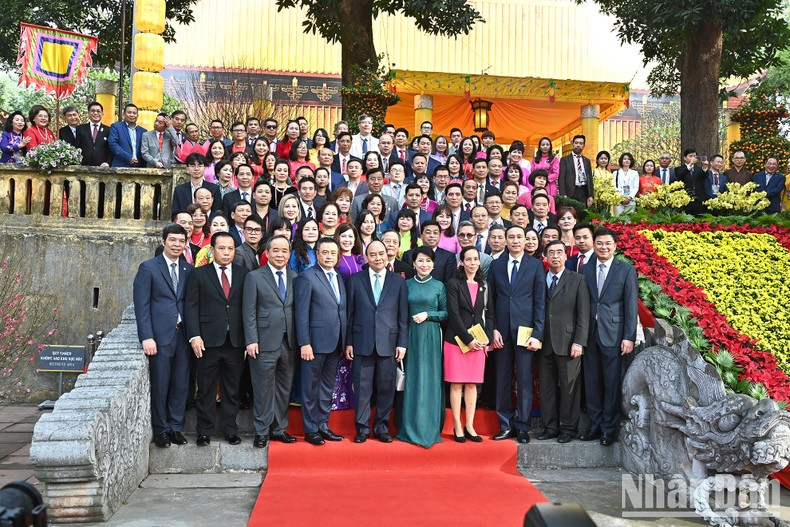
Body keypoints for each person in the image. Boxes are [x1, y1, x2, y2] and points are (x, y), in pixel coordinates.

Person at [184, 231, 248, 446]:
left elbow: (247, 309)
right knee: (206, 388)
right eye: (222, 248)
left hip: (235, 342)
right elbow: (191, 307)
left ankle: (231, 429)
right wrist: (194, 336)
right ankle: (204, 430)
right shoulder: (199, 274)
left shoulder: (243, 273)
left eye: (230, 248)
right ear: (213, 250)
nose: (227, 252)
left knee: (232, 388)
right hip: (207, 342)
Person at [133, 224, 192, 448]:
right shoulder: (148, 268)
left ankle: (176, 427)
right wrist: (146, 336)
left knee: (181, 384)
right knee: (160, 385)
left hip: (182, 335)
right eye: (173, 240)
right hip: (159, 337)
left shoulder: (188, 270)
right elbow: (142, 305)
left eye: (181, 241)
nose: (177, 244)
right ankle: (161, 430)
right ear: (163, 241)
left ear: (186, 244)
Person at [578, 227, 638, 446]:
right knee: (591, 382)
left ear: (615, 246)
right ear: (594, 245)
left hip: (614, 334)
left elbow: (631, 305)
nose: (603, 247)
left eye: (607, 244)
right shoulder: (585, 269)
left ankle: (608, 429)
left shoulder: (625, 270)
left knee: (611, 383)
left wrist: (628, 336)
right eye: (599, 243)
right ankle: (594, 425)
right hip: (589, 334)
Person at [346, 241, 409, 443]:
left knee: (385, 388)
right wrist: (348, 342)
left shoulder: (398, 281)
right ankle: (362, 428)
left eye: (381, 253)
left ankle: (382, 427)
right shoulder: (356, 280)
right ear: (366, 257)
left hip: (389, 343)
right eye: (373, 254)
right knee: (362, 388)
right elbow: (350, 314)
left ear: (388, 254)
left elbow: (403, 316)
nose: (378, 258)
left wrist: (402, 343)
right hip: (361, 341)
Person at [488, 225, 546, 443]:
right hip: (501, 331)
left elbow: (540, 302)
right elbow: (490, 302)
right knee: (502, 378)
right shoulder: (496, 265)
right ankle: (505, 424)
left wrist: (538, 334)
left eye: (518, 237)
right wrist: (492, 329)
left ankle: (522, 425)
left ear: (526, 240)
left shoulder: (535, 266)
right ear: (505, 240)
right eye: (510, 237)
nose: (514, 241)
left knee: (524, 379)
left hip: (526, 331)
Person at [243, 235, 299, 447]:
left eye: (284, 251)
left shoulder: (295, 277)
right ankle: (261, 430)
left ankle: (279, 429)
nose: (280, 254)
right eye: (275, 250)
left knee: (284, 388)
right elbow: (248, 312)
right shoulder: (255, 277)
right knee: (263, 388)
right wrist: (251, 340)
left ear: (289, 254)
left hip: (289, 342)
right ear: (266, 252)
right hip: (263, 342)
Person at [294, 237, 348, 445]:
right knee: (310, 387)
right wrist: (304, 342)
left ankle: (323, 425)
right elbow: (301, 313)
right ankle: (310, 429)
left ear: (337, 256)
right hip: (314, 344)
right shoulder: (307, 277)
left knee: (327, 387)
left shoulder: (339, 277)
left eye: (332, 253)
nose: (328, 256)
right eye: (324, 252)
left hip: (335, 343)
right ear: (317, 254)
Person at [537, 240, 589, 444]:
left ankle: (568, 428)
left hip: (569, 343)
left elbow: (583, 315)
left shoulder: (577, 280)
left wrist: (579, 342)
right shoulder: (540, 279)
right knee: (547, 387)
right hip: (544, 342)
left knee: (570, 388)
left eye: (559, 252)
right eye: (551, 253)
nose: (556, 256)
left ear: (566, 256)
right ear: (546, 257)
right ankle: (550, 427)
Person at [396, 246, 447, 448]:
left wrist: (429, 315)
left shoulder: (439, 286)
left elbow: (446, 313)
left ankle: (429, 429)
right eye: (420, 261)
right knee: (413, 379)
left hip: (431, 336)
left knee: (430, 379)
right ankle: (409, 427)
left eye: (428, 261)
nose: (424, 265)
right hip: (410, 336)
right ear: (413, 263)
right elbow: (399, 312)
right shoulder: (405, 284)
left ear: (433, 264)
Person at [444, 246, 494, 442]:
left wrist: (486, 338)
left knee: (473, 384)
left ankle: (470, 426)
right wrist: (468, 339)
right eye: (469, 259)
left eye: (476, 259)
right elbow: (454, 315)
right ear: (461, 262)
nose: (473, 263)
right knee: (457, 384)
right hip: (457, 341)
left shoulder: (484, 284)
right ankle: (457, 426)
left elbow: (489, 313)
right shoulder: (453, 283)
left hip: (479, 342)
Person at [558, 134, 594, 206]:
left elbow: (590, 179)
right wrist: (563, 195)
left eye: (581, 143)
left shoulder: (586, 161)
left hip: (584, 192)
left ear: (583, 146)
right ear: (573, 144)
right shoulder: (565, 160)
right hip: (570, 192)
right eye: (576, 143)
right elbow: (561, 178)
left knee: (583, 215)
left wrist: (591, 195)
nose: (578, 145)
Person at [108, 103, 146, 167]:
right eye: (129, 112)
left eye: (134, 113)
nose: (132, 115)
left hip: (139, 167)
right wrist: (129, 157)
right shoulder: (116, 127)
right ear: (124, 114)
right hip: (120, 165)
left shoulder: (143, 131)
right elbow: (113, 144)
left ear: (137, 115)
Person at [76, 101, 112, 167]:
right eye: (93, 111)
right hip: (84, 167)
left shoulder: (108, 130)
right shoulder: (80, 128)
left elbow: (111, 149)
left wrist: (108, 162)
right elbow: (77, 147)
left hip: (103, 167)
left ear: (102, 113)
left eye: (98, 111)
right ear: (88, 113)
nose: (95, 113)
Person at [675, 148, 707, 215]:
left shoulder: (699, 169)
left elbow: (704, 177)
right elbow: (680, 177)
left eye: (694, 156)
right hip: (685, 199)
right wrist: (690, 165)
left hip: (698, 199)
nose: (693, 158)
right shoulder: (678, 169)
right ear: (685, 158)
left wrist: (704, 168)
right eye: (690, 156)